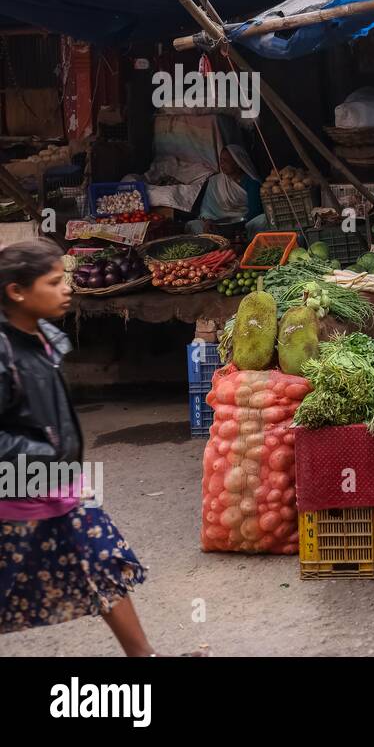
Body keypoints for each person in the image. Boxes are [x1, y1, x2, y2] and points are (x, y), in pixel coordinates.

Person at [0, 239, 187, 655]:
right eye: (53, 282)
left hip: (56, 485)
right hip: (14, 493)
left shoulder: (44, 337)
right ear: (17, 292)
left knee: (102, 561)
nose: (66, 288)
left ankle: (143, 656)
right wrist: (44, 456)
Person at [187, 145, 266, 235]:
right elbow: (207, 209)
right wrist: (209, 221)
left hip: (244, 223)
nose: (222, 164)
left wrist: (238, 226)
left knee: (262, 221)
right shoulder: (215, 181)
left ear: (237, 162)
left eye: (226, 160)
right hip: (218, 223)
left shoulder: (252, 182)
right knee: (193, 225)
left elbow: (254, 212)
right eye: (221, 160)